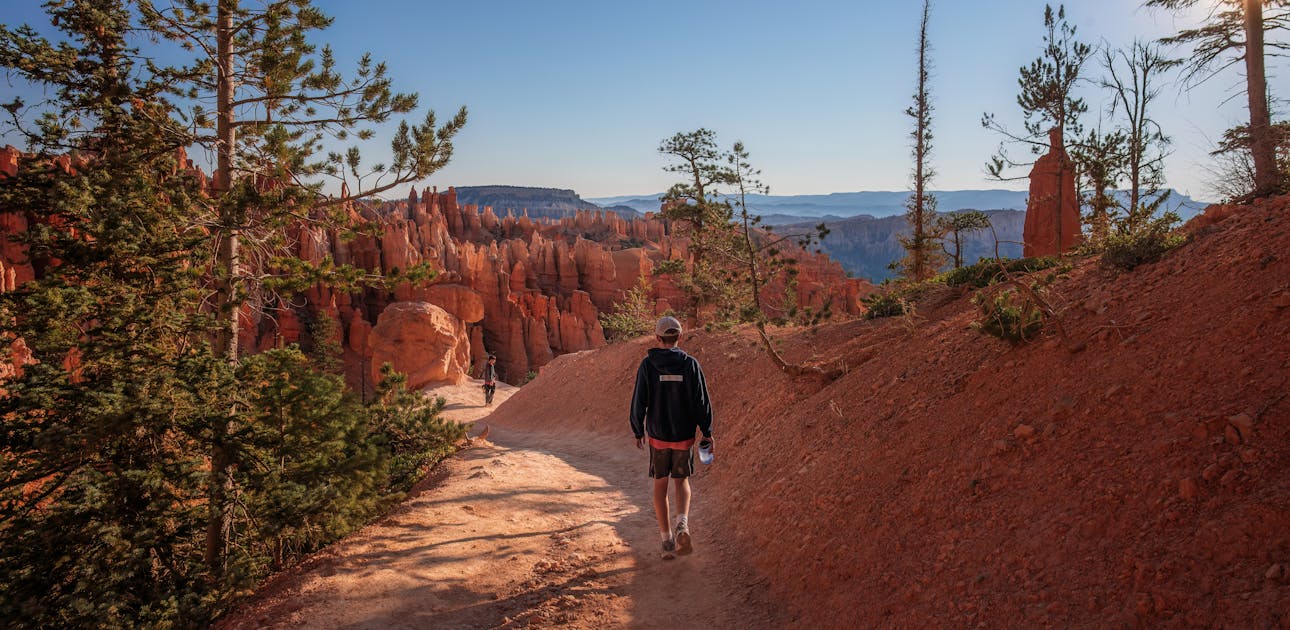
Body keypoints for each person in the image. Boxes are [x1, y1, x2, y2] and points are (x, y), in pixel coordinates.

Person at [630, 316, 713, 560]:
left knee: (660, 484)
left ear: (657, 338)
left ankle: (666, 539)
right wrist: (707, 431)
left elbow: (639, 400)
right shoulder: (690, 364)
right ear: (679, 337)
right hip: (683, 435)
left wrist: (637, 430)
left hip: (658, 436)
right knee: (682, 480)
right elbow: (701, 401)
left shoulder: (648, 365)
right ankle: (683, 525)